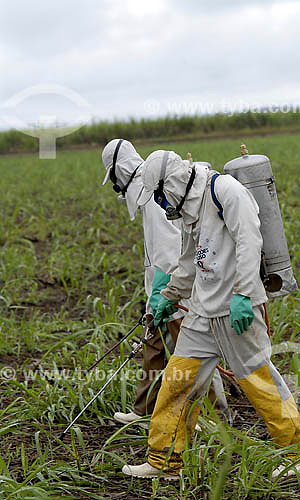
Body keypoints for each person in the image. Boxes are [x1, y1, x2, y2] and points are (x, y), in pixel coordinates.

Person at [121, 149, 300, 481]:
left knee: (259, 382)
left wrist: (244, 294)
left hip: (236, 308)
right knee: (176, 381)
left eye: (162, 197)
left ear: (173, 183)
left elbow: (249, 243)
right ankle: (164, 461)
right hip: (202, 310)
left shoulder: (225, 192)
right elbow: (190, 259)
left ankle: (297, 453)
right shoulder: (190, 209)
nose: (163, 207)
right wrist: (169, 295)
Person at [101, 139, 228, 426]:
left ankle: (215, 415)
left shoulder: (151, 194)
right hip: (163, 289)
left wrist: (163, 294)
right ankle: (145, 409)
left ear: (121, 171)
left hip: (177, 290)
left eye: (114, 179)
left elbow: (172, 251)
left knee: (195, 352)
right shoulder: (146, 193)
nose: (116, 188)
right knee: (153, 346)